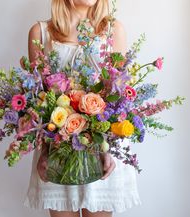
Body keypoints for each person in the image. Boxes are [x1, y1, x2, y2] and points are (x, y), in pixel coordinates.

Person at [23, 1, 141, 217]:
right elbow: (37, 100)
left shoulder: (113, 30)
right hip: (57, 148)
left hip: (104, 148)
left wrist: (105, 148)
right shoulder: (40, 32)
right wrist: (46, 151)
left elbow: (119, 96)